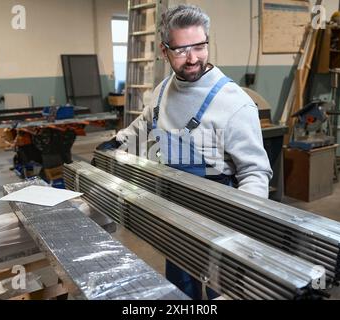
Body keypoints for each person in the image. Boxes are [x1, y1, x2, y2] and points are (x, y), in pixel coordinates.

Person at [97, 4, 272, 299]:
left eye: (200, 46)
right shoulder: (163, 90)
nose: (192, 58)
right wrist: (117, 142)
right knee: (180, 288)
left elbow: (255, 171)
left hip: (221, 218)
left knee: (220, 291)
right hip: (174, 214)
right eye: (181, 50)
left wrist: (243, 225)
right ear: (165, 51)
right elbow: (145, 123)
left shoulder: (234, 103)